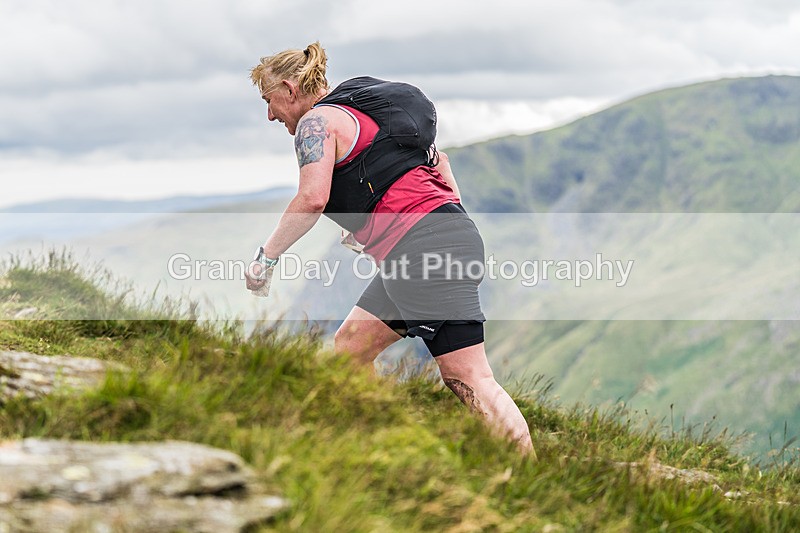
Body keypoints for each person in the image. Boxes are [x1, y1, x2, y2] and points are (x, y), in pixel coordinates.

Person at [244, 42, 534, 455]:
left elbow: (311, 199)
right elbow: (442, 169)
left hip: (423, 250)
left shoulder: (315, 123)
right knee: (349, 349)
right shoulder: (365, 114)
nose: (269, 113)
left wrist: (265, 258)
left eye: (269, 100)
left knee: (467, 375)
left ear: (289, 88)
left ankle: (527, 473)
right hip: (442, 237)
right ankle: (386, 446)